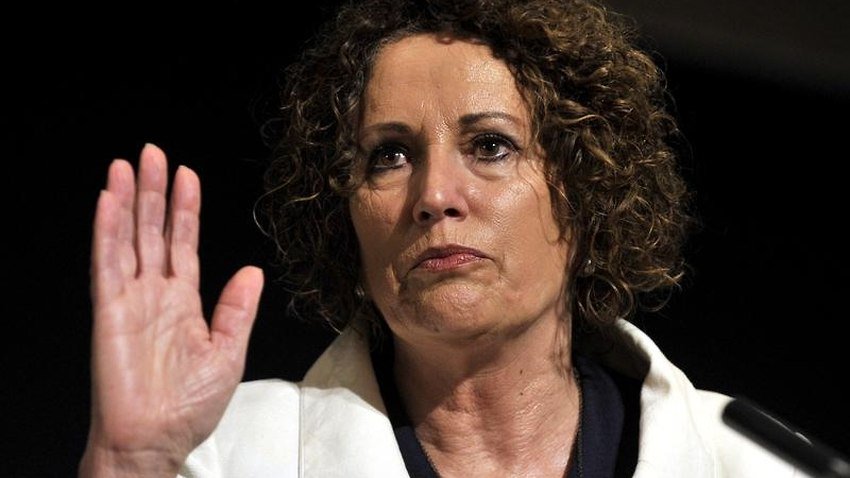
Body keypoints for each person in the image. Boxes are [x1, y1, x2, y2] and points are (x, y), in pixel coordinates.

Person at [78, 0, 806, 476]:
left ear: (587, 189)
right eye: (389, 155)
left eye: (490, 146)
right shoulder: (220, 455)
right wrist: (127, 463)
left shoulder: (758, 463)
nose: (432, 196)